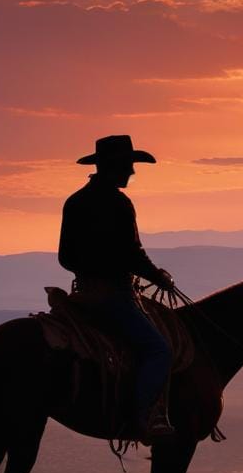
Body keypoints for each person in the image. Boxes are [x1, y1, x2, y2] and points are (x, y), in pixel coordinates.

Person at [58, 134, 176, 442]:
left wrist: (90, 268)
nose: (132, 172)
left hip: (83, 295)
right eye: (128, 166)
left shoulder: (75, 202)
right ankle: (143, 418)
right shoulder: (119, 204)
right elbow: (133, 254)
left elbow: (65, 257)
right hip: (114, 297)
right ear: (116, 167)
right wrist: (158, 277)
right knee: (159, 349)